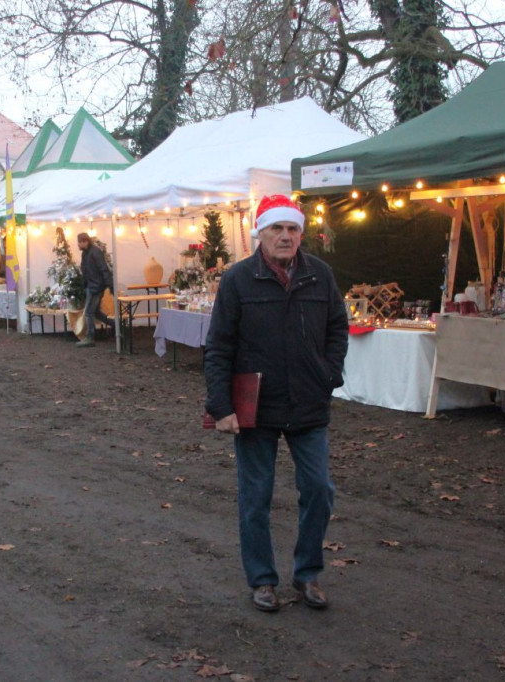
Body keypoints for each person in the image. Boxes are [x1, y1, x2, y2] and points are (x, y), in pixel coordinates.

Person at [204, 194, 348, 613]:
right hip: (256, 406)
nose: (285, 237)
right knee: (256, 496)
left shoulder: (320, 275)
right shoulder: (238, 280)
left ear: (301, 233)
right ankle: (263, 579)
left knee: (319, 489)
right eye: (276, 229)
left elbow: (337, 328)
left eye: (292, 229)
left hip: (307, 401)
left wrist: (329, 374)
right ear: (260, 234)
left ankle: (307, 573)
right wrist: (220, 405)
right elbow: (219, 346)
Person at [74, 232, 114, 348]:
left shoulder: (95, 252)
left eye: (79, 242)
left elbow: (104, 269)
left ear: (85, 242)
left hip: (96, 287)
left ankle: (90, 337)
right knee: (95, 312)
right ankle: (117, 326)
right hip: (92, 286)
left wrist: (110, 285)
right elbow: (85, 269)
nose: (78, 245)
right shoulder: (86, 253)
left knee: (89, 312)